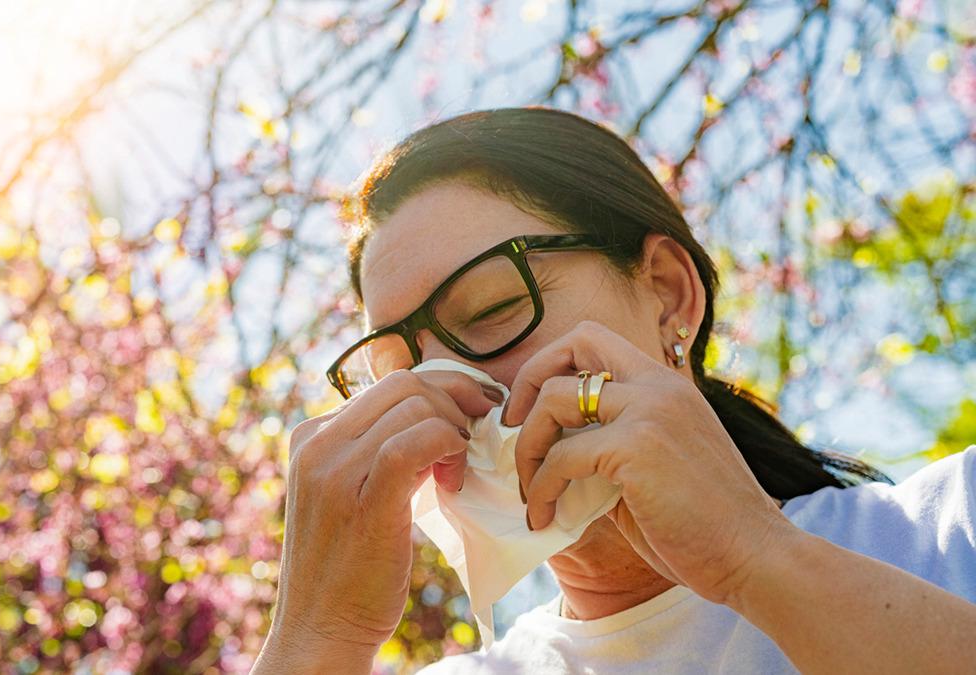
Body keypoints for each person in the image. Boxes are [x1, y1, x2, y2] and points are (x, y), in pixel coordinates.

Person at [252, 107, 976, 673]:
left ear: (666, 296)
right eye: (397, 373)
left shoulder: (948, 529)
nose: (450, 393)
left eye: (493, 310)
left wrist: (753, 555)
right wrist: (314, 643)